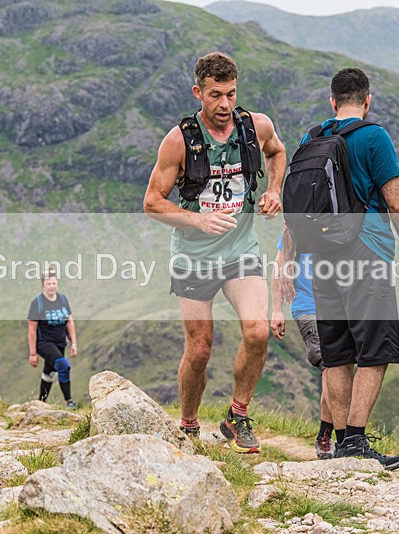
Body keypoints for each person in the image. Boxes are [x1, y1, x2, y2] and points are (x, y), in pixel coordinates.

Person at [143, 51, 286, 453]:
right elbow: (152, 202)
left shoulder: (255, 126)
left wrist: (274, 190)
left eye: (230, 94)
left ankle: (236, 416)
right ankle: (187, 425)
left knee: (257, 332)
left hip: (241, 249)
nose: (224, 105)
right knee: (200, 348)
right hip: (193, 255)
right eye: (214, 96)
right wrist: (198, 221)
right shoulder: (179, 140)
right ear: (198, 93)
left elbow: (277, 152)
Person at [305, 68, 399, 470]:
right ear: (367, 101)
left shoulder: (313, 137)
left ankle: (342, 444)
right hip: (366, 255)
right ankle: (355, 442)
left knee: (337, 354)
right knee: (375, 351)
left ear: (333, 102)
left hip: (320, 258)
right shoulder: (374, 137)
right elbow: (397, 201)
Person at [271, 227, 335, 459]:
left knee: (340, 368)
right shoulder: (296, 228)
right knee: (330, 366)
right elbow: (279, 265)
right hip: (307, 307)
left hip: (337, 306)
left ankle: (335, 435)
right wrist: (277, 310)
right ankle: (329, 436)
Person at [27, 268, 78, 409]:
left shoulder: (62, 299)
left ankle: (40, 403)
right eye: (48, 284)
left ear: (57, 284)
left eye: (54, 283)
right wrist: (32, 353)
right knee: (63, 366)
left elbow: (69, 322)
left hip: (60, 342)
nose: (51, 286)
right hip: (44, 343)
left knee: (49, 374)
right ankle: (69, 401)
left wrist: (73, 343)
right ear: (43, 285)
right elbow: (32, 329)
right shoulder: (37, 303)